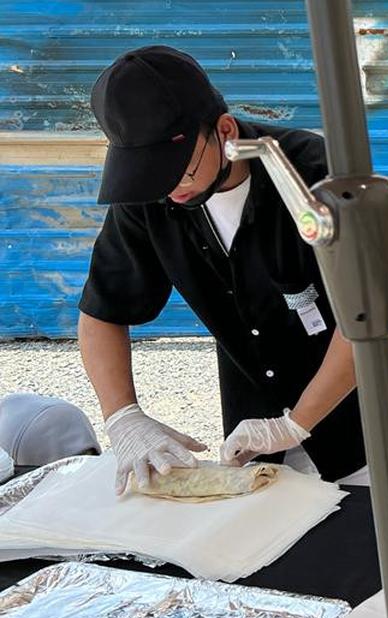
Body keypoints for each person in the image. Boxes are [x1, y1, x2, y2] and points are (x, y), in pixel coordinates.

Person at [77, 45, 365, 493]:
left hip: (349, 419)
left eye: (181, 171)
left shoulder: (313, 176)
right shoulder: (151, 198)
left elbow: (364, 323)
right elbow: (102, 311)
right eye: (151, 176)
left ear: (224, 131)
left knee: (360, 541)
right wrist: (123, 417)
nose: (171, 189)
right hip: (248, 431)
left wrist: (296, 424)